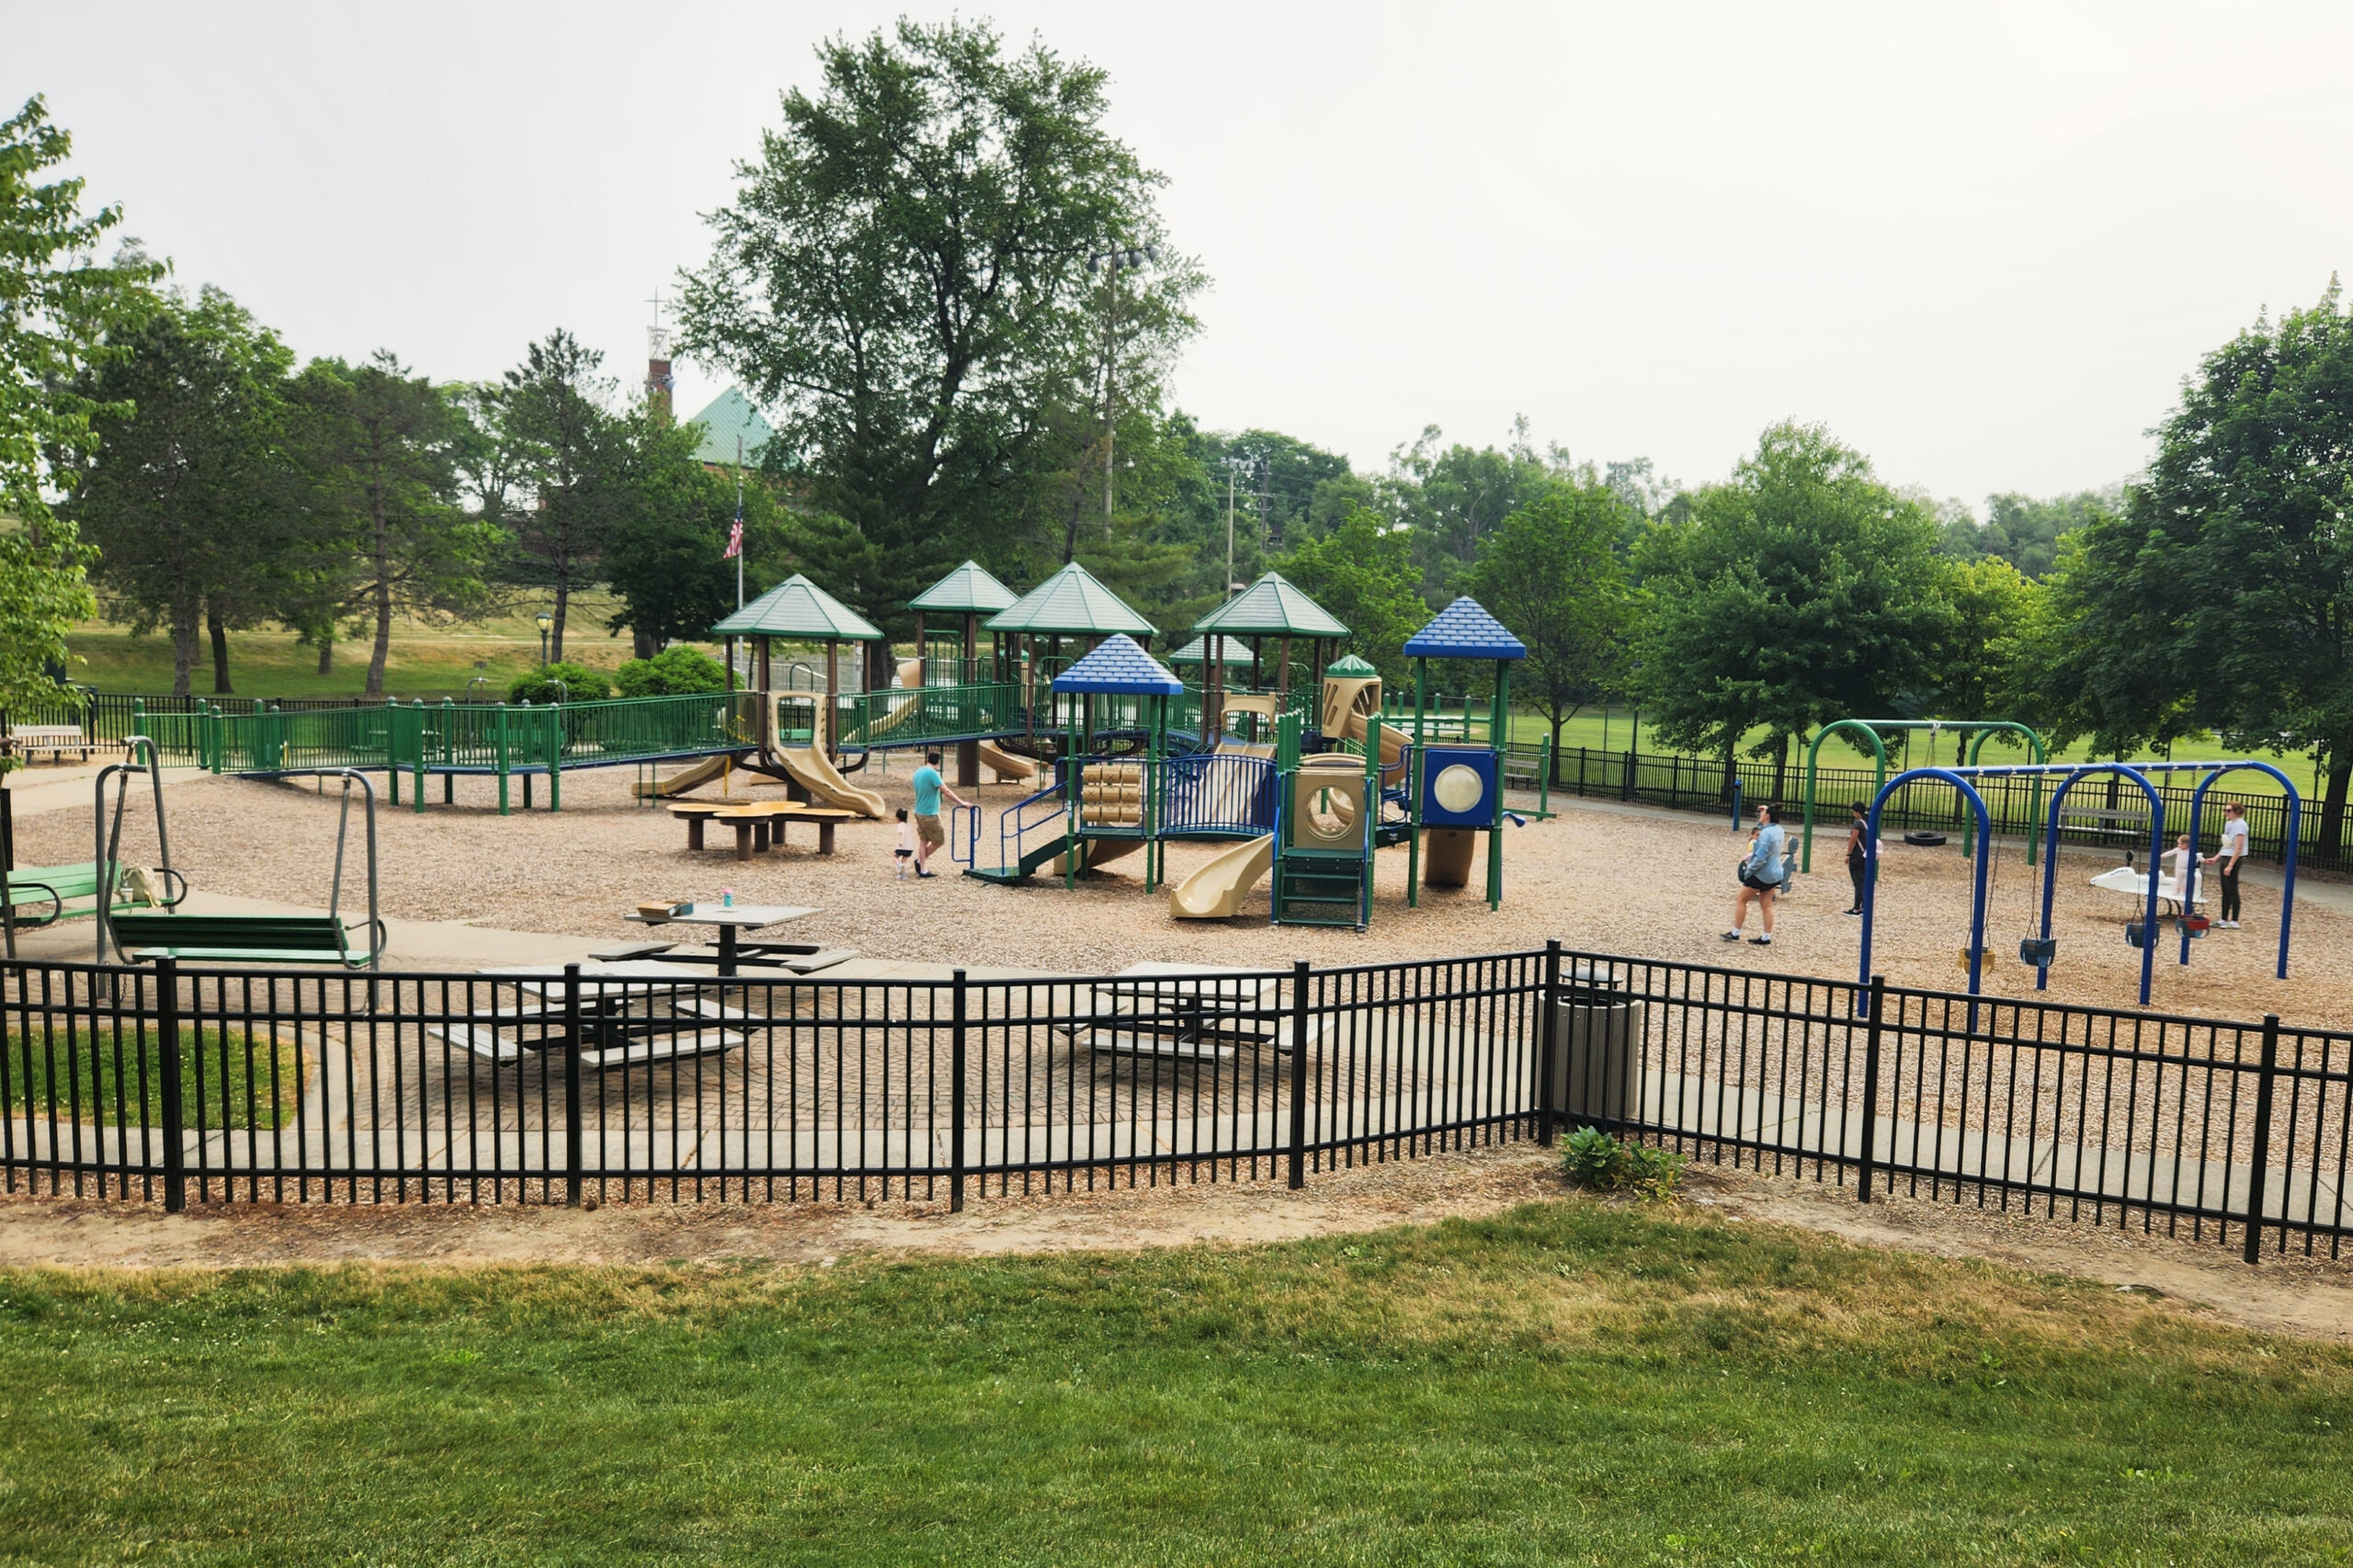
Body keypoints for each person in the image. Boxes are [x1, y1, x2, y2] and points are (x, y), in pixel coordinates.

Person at [1724, 802, 1787, 946]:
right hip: (1775, 872)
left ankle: (1735, 933)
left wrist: (1749, 871)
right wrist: (1766, 813)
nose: (1760, 815)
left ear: (1768, 817)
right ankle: (1766, 936)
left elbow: (1759, 857)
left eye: (1763, 814)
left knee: (1741, 900)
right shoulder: (1779, 830)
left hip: (1761, 873)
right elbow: (1765, 829)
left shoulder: (1765, 834)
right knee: (1767, 905)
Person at [910, 749, 971, 879]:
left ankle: (923, 868)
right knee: (939, 841)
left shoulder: (918, 772)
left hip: (919, 811)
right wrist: (961, 802)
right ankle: (921, 863)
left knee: (924, 840)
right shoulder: (933, 774)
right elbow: (946, 791)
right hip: (929, 814)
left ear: (928, 759)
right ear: (938, 762)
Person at [2212, 802, 2248, 928]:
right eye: (2225, 810)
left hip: (2233, 858)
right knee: (2225, 889)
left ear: (2236, 811)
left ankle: (2234, 920)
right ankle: (2223, 918)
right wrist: (2216, 858)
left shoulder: (2240, 825)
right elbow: (2227, 845)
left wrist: (2231, 865)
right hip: (2226, 856)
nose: (2226, 813)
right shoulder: (2229, 824)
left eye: (2228, 810)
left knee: (2232, 888)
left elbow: (2238, 847)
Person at [1842, 801, 1871, 915]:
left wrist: (1848, 854)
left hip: (1856, 855)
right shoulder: (1868, 821)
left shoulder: (1858, 824)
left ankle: (1856, 908)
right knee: (1863, 881)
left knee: (1858, 882)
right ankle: (1864, 906)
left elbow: (1853, 839)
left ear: (1857, 812)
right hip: (1865, 854)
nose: (1853, 814)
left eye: (1854, 812)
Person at [2162, 832, 2201, 915]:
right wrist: (2162, 856)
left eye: (2181, 844)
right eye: (2178, 844)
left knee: (2186, 882)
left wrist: (2204, 860)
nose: (2179, 845)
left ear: (2187, 844)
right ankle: (2175, 891)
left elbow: (2198, 857)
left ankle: (2184, 893)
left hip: (2187, 869)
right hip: (2179, 869)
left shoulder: (2191, 851)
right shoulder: (2178, 850)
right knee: (2178, 880)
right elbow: (2170, 852)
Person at [892, 808, 915, 880]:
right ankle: (903, 876)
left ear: (897, 817)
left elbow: (903, 833)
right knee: (904, 861)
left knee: (895, 856)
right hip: (910, 847)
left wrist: (901, 841)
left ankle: (899, 864)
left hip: (903, 846)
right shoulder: (909, 825)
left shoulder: (900, 825)